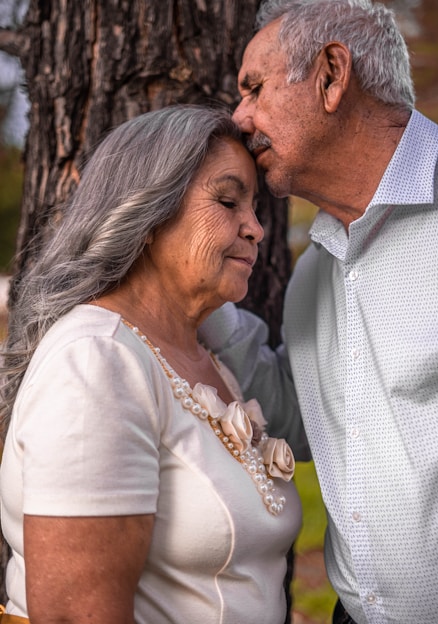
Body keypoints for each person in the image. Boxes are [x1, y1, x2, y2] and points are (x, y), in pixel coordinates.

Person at [198, 1, 438, 623]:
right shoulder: (317, 270)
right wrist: (197, 293)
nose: (240, 116)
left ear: (332, 75)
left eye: (255, 86)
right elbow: (302, 419)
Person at [0, 104, 303, 624]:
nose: (256, 228)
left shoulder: (204, 360)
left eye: (254, 209)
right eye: (228, 201)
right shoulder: (96, 361)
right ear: (145, 213)